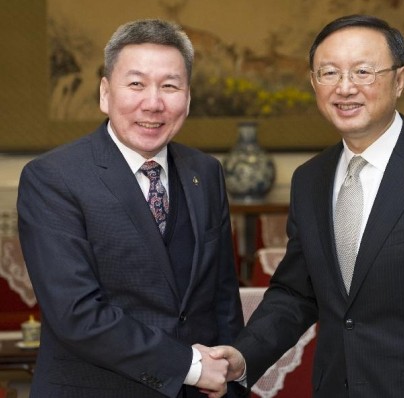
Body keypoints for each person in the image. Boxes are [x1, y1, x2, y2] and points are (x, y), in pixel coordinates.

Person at [209, 14, 404, 397]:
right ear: (314, 83)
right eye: (329, 73)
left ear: (400, 79)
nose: (345, 88)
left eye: (363, 72)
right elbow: (297, 293)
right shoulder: (310, 179)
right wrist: (243, 356)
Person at [17, 19, 246, 398]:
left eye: (170, 86)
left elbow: (223, 298)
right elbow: (76, 314)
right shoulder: (53, 178)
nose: (153, 103)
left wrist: (231, 381)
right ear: (105, 93)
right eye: (136, 84)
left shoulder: (205, 172)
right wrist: (189, 367)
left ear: (188, 99)